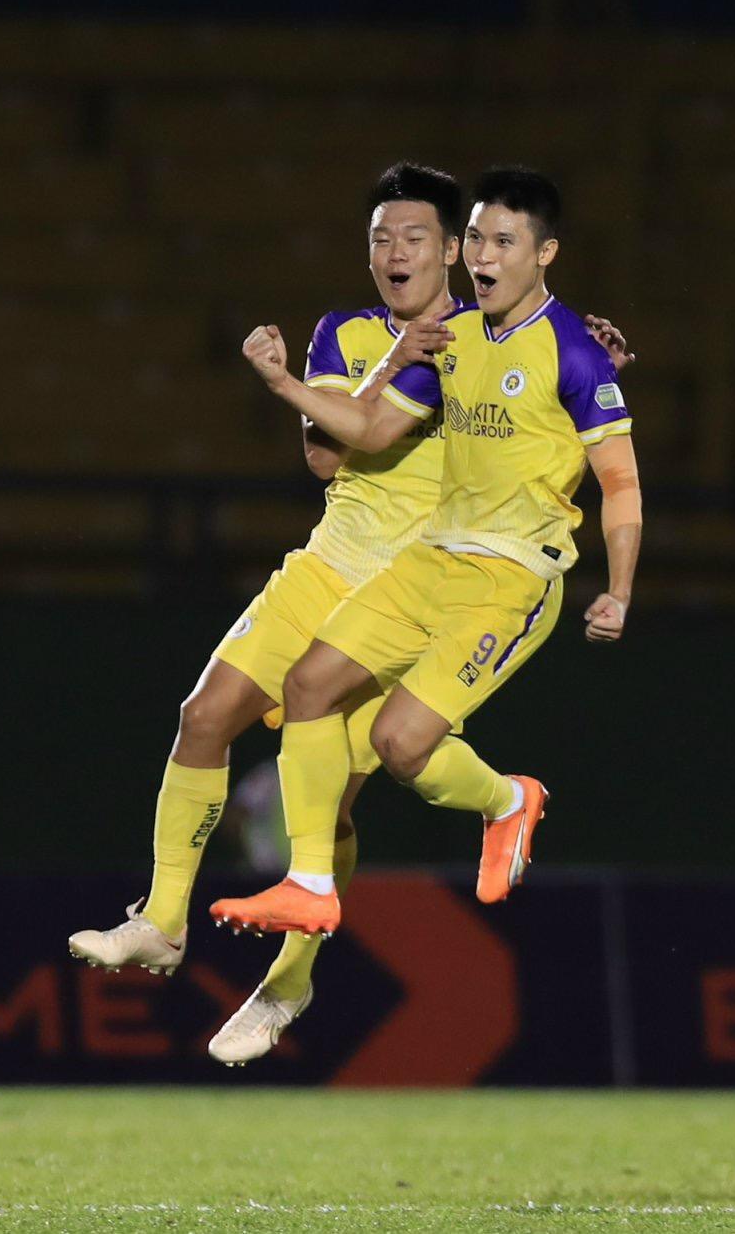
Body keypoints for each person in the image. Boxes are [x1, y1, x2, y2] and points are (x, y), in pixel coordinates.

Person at [68, 162, 629, 1066]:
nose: (393, 252)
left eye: (414, 237)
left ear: (454, 250)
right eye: (379, 238)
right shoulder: (348, 332)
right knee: (202, 717)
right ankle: (163, 920)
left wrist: (574, 366)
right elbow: (330, 459)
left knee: (329, 795)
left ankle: (287, 983)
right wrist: (371, 375)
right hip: (328, 565)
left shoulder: (499, 338)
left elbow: (556, 411)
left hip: (422, 582)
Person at [209, 165, 641, 942]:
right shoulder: (455, 338)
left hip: (513, 577)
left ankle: (508, 800)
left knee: (398, 744)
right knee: (307, 684)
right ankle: (308, 883)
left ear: (544, 254)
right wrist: (281, 385)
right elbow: (369, 432)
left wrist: (619, 587)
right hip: (431, 559)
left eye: (503, 240)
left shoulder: (575, 353)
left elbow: (621, 481)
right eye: (476, 236)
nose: (483, 253)